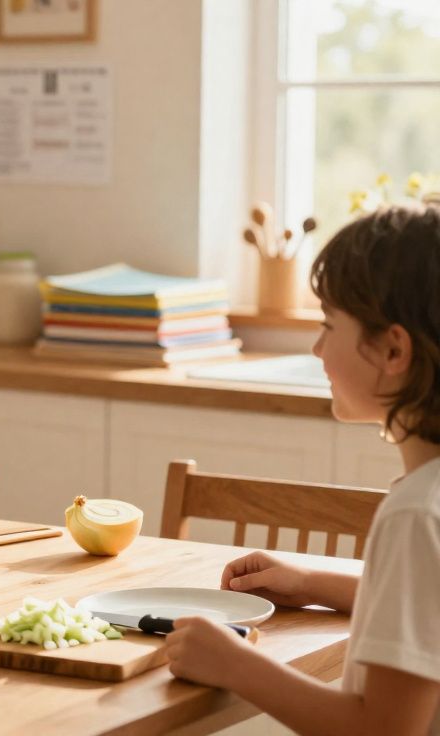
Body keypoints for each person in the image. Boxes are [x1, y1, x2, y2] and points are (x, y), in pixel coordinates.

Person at [163, 205, 440, 734]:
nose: (315, 348)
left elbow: (381, 730)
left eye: (328, 325)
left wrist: (237, 665)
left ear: (393, 348)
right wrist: (313, 582)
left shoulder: (416, 515)